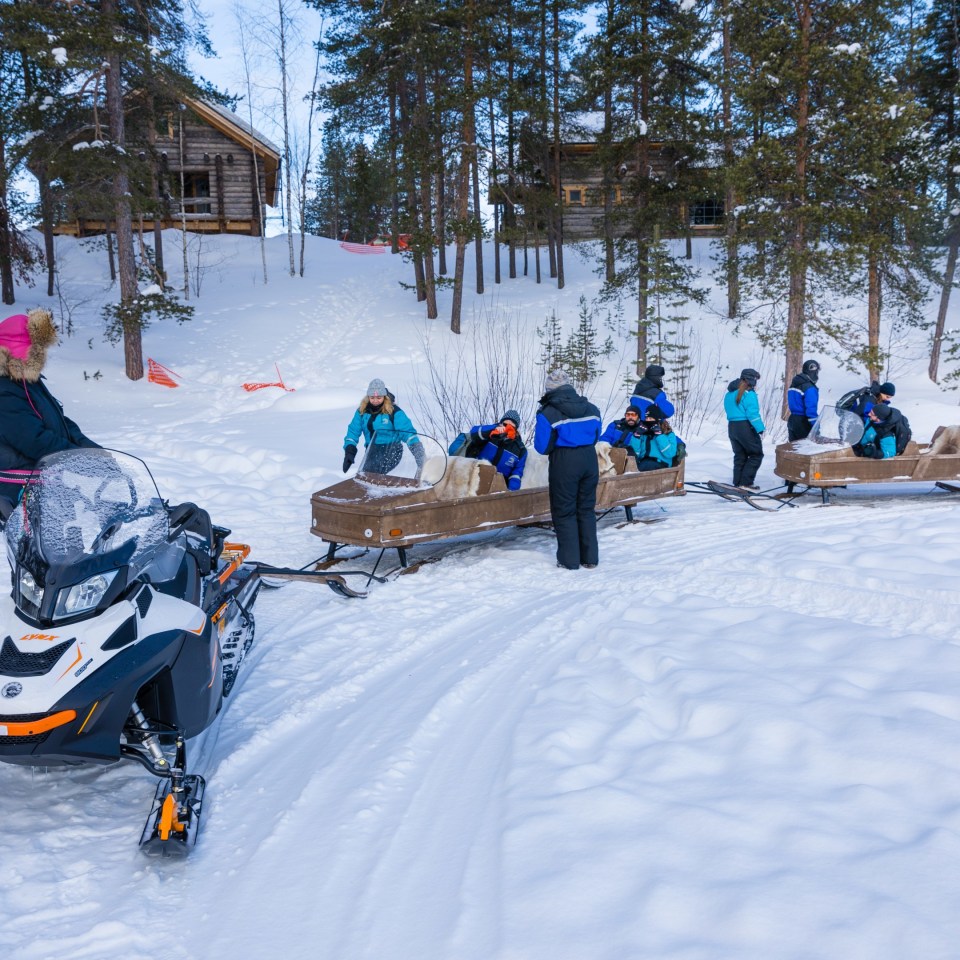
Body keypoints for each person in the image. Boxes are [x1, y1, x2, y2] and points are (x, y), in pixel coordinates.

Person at [0, 310, 99, 519]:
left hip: (48, 483)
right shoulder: (5, 389)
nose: (40, 354)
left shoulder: (29, 381)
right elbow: (32, 439)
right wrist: (78, 458)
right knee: (47, 550)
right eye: (35, 349)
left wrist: (92, 450)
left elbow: (60, 421)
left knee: (70, 547)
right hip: (21, 489)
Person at [534, 369, 602, 570]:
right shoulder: (592, 408)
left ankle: (569, 560)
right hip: (590, 459)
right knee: (586, 509)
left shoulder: (548, 412)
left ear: (549, 389)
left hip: (565, 461)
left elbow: (542, 447)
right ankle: (590, 557)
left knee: (564, 510)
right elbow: (596, 435)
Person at [342, 378, 425, 475]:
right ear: (368, 397)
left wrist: (418, 452)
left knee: (373, 474)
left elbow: (407, 432)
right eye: (372, 398)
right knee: (365, 476)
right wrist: (350, 451)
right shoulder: (362, 411)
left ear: (384, 397)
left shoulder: (393, 411)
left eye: (379, 398)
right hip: (371, 451)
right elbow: (353, 431)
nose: (375, 401)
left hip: (392, 450)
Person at [723, 367, 765, 490]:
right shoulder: (749, 394)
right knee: (756, 454)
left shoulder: (729, 393)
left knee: (740, 455)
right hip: (745, 427)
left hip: (732, 427)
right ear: (751, 380)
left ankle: (737, 482)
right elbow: (752, 414)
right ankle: (746, 483)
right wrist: (760, 428)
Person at [465, 410, 527, 490]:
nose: (507, 428)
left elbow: (516, 474)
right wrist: (493, 429)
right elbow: (473, 432)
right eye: (505, 424)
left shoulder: (520, 449)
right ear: (500, 423)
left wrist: (511, 492)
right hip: (475, 476)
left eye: (512, 427)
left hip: (499, 485)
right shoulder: (489, 433)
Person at [630, 404, 679, 471]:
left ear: (657, 419)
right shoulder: (644, 434)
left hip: (662, 465)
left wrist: (659, 436)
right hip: (644, 464)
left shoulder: (668, 434)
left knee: (646, 466)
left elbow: (670, 453)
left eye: (650, 418)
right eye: (646, 418)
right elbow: (636, 455)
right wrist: (636, 436)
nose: (648, 421)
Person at [787, 358, 820, 441]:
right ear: (815, 372)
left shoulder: (794, 384)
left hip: (792, 420)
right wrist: (816, 427)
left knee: (794, 449)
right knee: (807, 450)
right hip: (803, 422)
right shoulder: (810, 388)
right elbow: (811, 409)